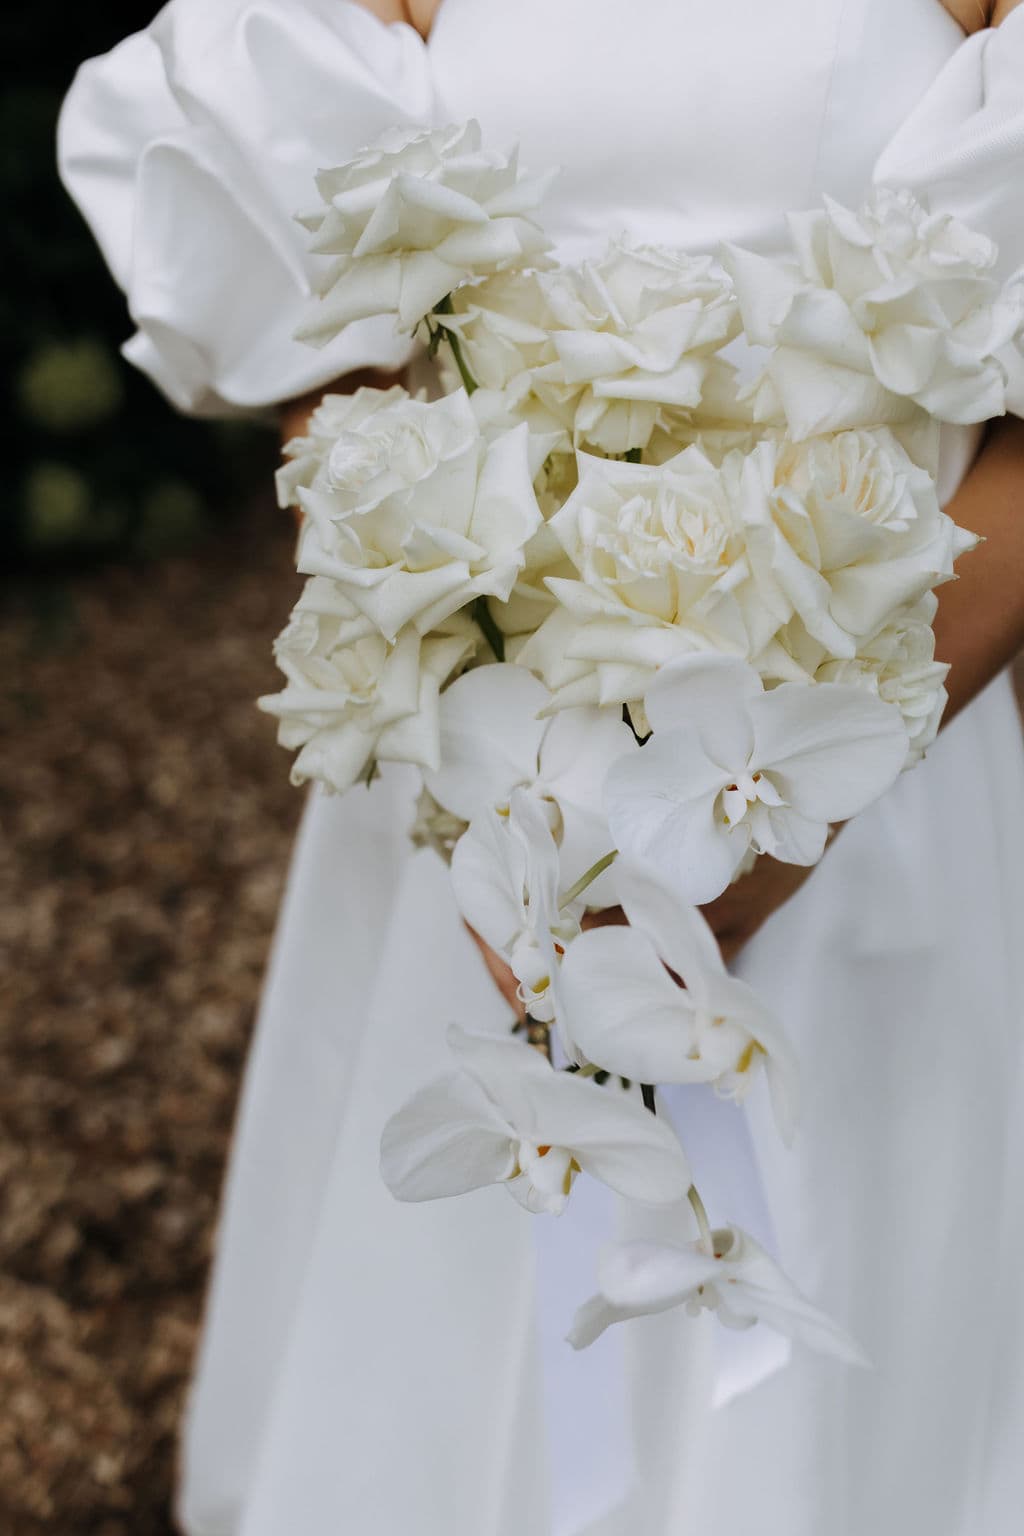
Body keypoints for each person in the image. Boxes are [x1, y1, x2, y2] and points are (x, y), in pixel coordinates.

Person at [59, 2, 1024, 1532]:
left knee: (818, 1308)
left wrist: (795, 802)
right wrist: (455, 665)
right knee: (464, 1290)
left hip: (856, 770)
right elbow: (349, 347)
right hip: (483, 780)